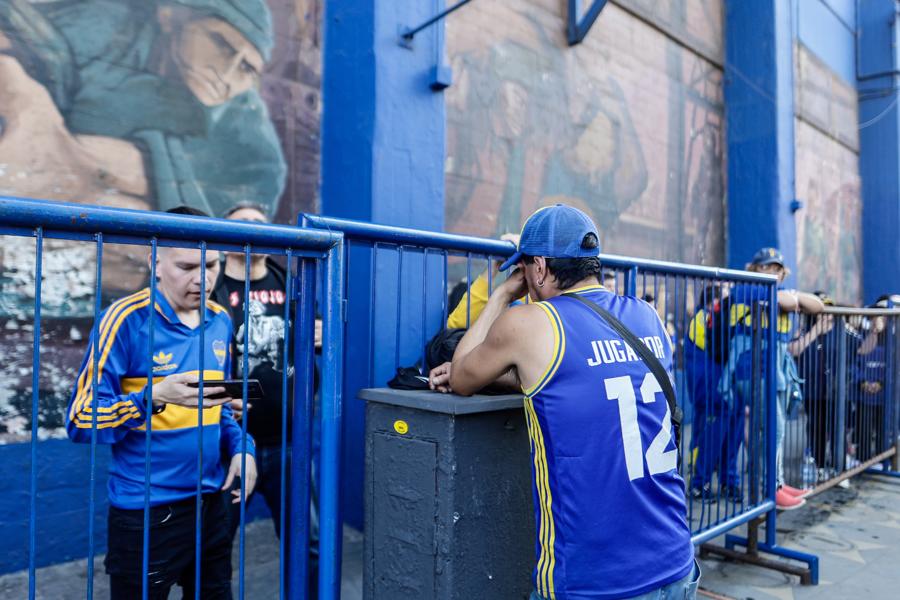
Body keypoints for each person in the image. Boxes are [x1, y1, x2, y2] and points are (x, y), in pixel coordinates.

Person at [431, 204, 699, 600]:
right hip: (676, 562)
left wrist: (504, 292)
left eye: (524, 270)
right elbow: (584, 377)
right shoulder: (647, 317)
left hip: (596, 581)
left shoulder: (532, 322)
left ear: (537, 268)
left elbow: (464, 374)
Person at [66, 206, 257, 599]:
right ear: (155, 261)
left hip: (212, 504)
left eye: (211, 266)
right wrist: (152, 398)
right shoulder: (124, 320)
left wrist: (243, 449)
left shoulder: (221, 319)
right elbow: (80, 419)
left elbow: (219, 405)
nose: (202, 279)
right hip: (148, 513)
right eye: (186, 266)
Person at [212, 202, 321, 595]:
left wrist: (318, 337)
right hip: (228, 446)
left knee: (307, 546)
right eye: (241, 223)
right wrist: (221, 400)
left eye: (260, 223)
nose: (253, 229)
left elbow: (309, 343)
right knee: (215, 545)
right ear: (223, 237)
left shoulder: (289, 281)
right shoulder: (211, 285)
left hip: (290, 442)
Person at [718, 248, 825, 510]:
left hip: (773, 371)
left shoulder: (779, 291)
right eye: (766, 267)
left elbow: (818, 305)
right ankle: (766, 489)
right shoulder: (745, 288)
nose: (772, 272)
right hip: (752, 370)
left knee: (773, 431)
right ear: (755, 268)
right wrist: (790, 298)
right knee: (767, 431)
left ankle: (774, 484)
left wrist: (794, 296)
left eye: (776, 268)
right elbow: (787, 303)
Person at [686, 284, 734, 501]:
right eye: (725, 294)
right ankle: (699, 482)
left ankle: (726, 481)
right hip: (708, 390)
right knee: (705, 435)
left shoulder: (716, 316)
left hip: (719, 389)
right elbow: (714, 350)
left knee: (723, 433)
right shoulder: (703, 318)